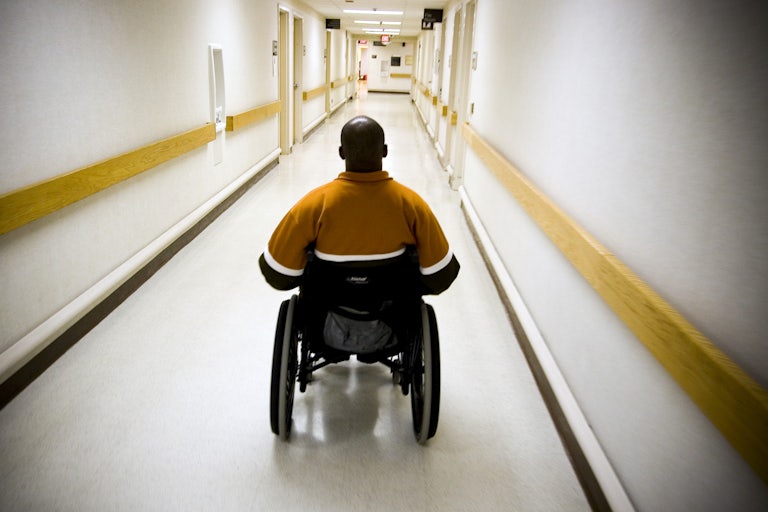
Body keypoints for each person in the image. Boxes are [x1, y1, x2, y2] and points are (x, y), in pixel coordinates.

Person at [259, 115, 459, 295]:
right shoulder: (412, 205)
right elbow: (441, 275)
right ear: (385, 151)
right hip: (393, 309)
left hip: (326, 308)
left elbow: (278, 273)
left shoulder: (312, 205)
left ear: (341, 153)